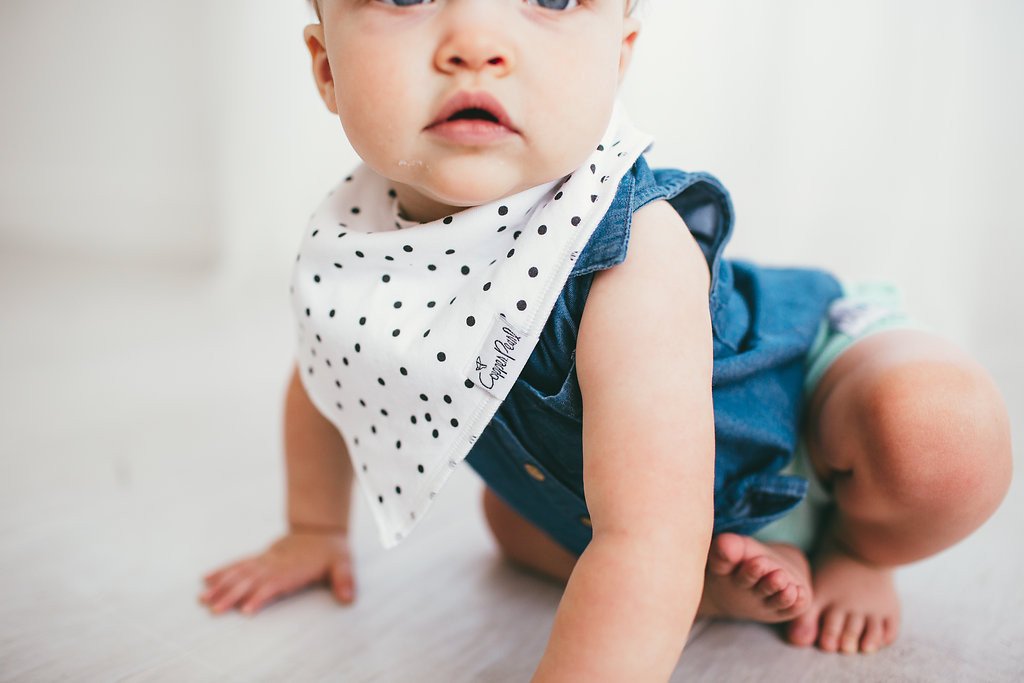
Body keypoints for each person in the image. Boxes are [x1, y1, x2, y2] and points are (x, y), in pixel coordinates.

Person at [199, 0, 1013, 675]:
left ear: (618, 55)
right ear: (327, 69)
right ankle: (717, 585)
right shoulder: (357, 246)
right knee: (512, 524)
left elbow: (645, 536)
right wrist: (313, 528)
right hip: (644, 499)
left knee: (938, 432)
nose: (476, 46)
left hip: (806, 401)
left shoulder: (631, 251)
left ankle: (860, 548)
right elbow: (331, 373)